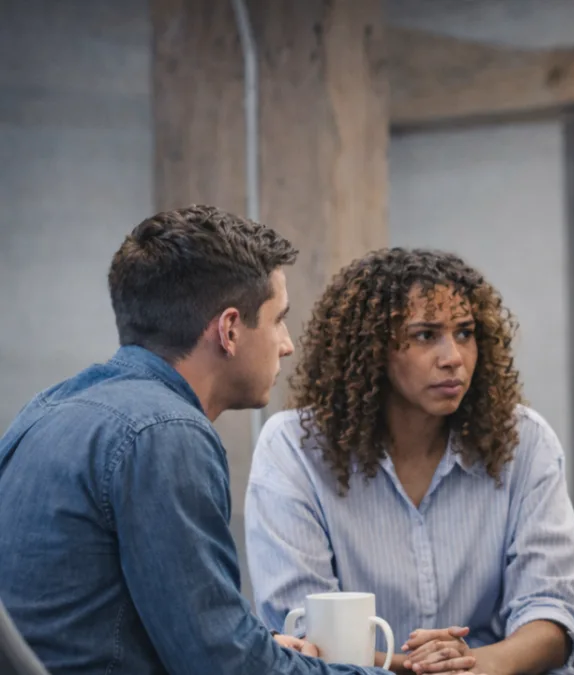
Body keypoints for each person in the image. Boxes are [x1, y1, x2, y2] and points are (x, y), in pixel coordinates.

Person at [0, 205, 387, 674]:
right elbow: (220, 664)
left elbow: (143, 620)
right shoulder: (165, 433)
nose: (286, 343)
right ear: (229, 330)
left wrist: (262, 646)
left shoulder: (45, 409)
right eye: (278, 320)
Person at [244, 248, 574, 675]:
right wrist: (423, 669)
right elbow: (304, 636)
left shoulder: (524, 440)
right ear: (371, 348)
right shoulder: (294, 448)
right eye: (426, 335)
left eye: (465, 333)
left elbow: (551, 612)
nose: (453, 358)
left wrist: (475, 666)